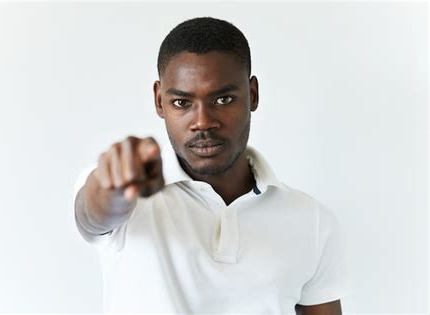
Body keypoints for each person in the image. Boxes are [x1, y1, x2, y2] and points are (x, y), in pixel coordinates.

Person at [73, 17, 348, 314]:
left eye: (223, 99)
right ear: (159, 100)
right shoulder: (127, 193)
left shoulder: (313, 222)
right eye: (182, 103)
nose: (203, 121)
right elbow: (96, 212)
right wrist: (116, 186)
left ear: (252, 95)